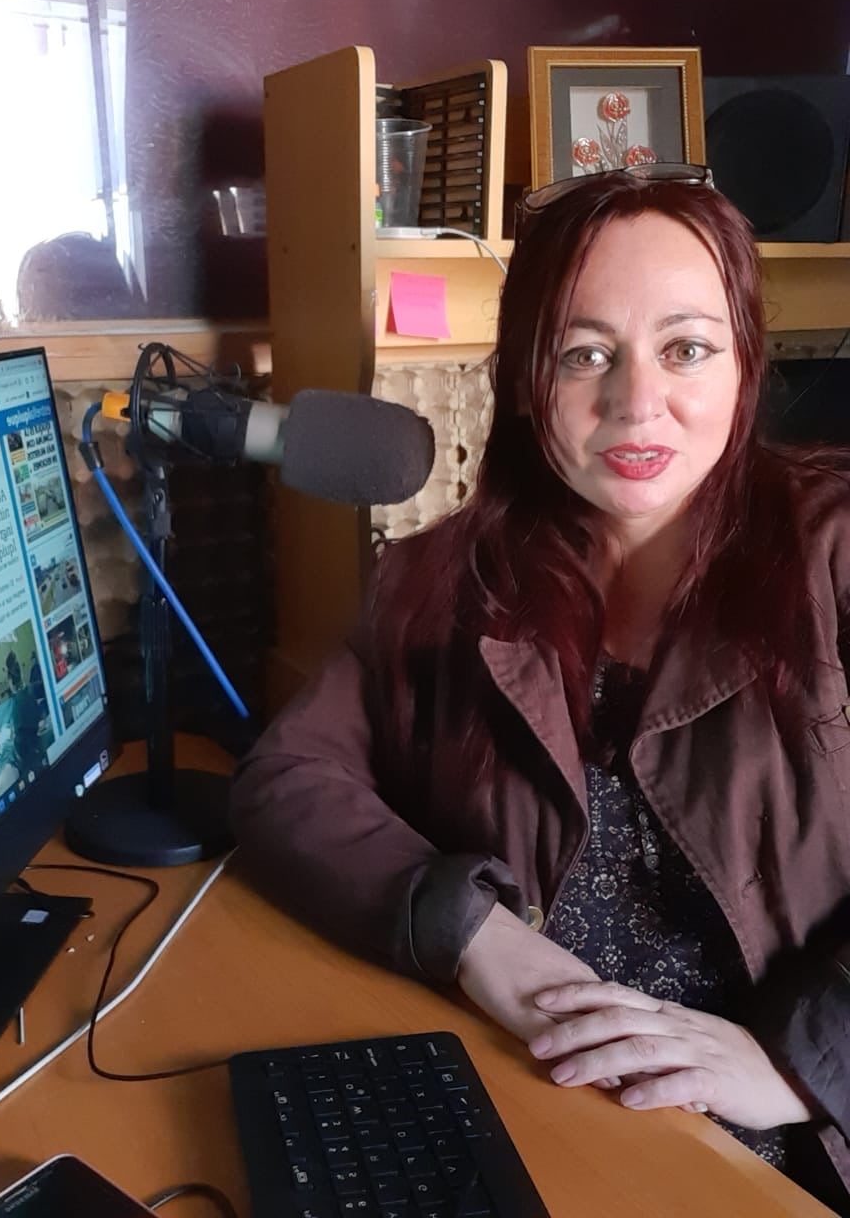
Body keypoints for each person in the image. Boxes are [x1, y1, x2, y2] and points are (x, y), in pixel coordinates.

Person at [229, 165, 850, 1211]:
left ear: (746, 364)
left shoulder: (833, 551)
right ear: (525, 379)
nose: (636, 402)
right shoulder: (438, 582)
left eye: (686, 348)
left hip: (793, 1148)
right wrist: (472, 934)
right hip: (528, 1109)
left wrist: (805, 1062)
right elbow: (287, 778)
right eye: (584, 353)